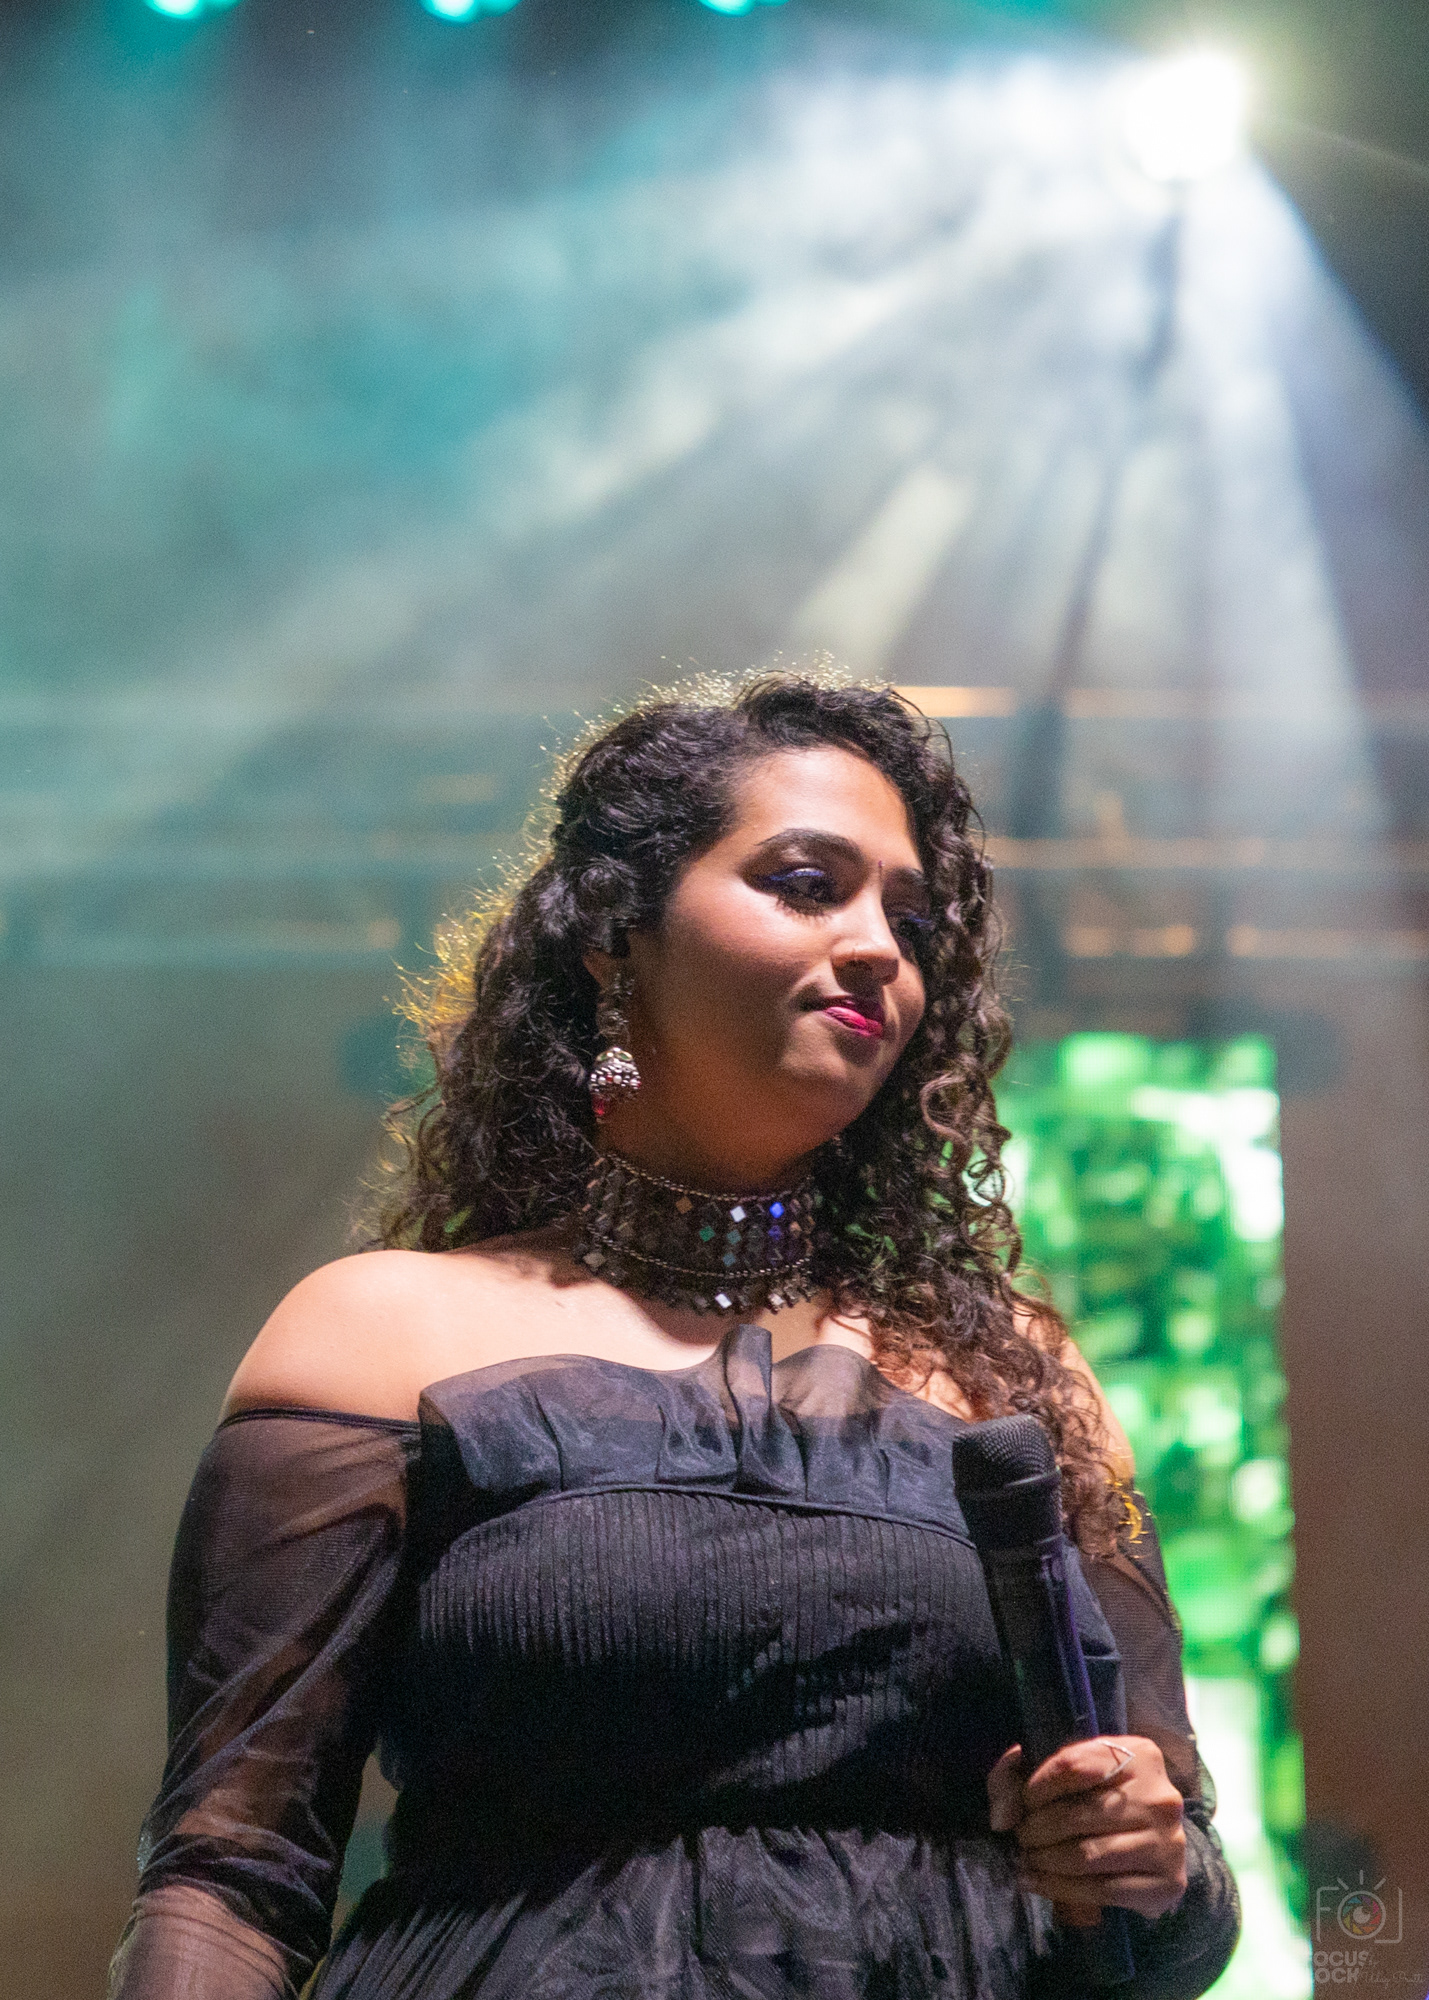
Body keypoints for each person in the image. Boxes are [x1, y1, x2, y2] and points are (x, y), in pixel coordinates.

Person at [109, 674, 1240, 2000]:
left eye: (911, 919)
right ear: (615, 937)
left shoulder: (1013, 1383)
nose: (878, 947)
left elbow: (1177, 1912)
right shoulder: (379, 1336)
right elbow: (231, 1874)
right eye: (807, 884)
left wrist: (1150, 1863)